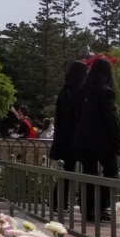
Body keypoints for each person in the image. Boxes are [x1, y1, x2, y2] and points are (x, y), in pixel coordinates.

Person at [74, 57, 120, 220]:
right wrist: (119, 143)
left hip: (83, 141)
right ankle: (102, 205)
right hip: (101, 142)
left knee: (89, 174)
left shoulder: (83, 90)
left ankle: (87, 208)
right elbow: (112, 119)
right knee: (111, 171)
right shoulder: (106, 92)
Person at [50, 60, 87, 210]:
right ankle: (85, 203)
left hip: (65, 138)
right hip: (80, 137)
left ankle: (58, 202)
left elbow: (59, 117)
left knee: (65, 173)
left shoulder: (64, 92)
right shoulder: (83, 90)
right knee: (87, 173)